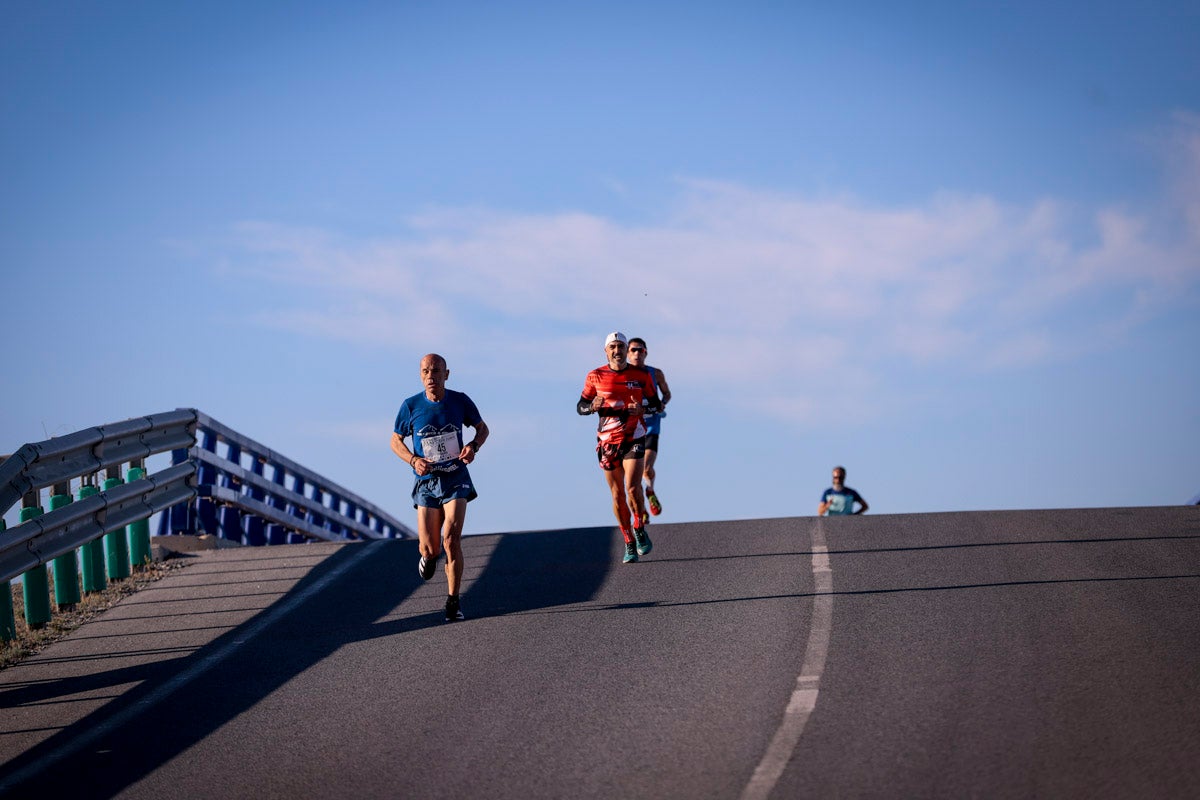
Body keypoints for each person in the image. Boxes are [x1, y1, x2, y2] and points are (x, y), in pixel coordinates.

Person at [391, 353, 489, 622]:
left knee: (451, 538)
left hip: (456, 477)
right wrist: (413, 459)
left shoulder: (460, 401)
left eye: (436, 371)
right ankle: (428, 556)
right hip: (426, 482)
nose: (431, 376)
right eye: (425, 371)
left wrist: (473, 446)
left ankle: (453, 601)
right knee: (430, 548)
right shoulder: (410, 406)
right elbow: (395, 441)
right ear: (420, 375)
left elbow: (482, 428)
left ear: (446, 374)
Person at [577, 331, 663, 563]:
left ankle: (639, 527)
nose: (617, 351)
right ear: (606, 351)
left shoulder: (640, 375)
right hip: (607, 442)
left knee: (633, 488)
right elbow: (580, 406)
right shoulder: (595, 376)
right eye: (612, 347)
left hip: (634, 437)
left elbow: (657, 405)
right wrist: (591, 406)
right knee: (616, 495)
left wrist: (642, 410)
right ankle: (628, 541)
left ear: (627, 350)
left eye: (621, 347)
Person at [626, 337, 671, 522]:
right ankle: (640, 511)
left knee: (646, 468)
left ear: (646, 353)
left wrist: (662, 403)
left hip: (651, 427)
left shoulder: (655, 373)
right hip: (629, 430)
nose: (637, 354)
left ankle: (650, 489)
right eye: (633, 350)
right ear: (627, 353)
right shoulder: (622, 375)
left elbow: (667, 393)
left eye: (640, 350)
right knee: (630, 481)